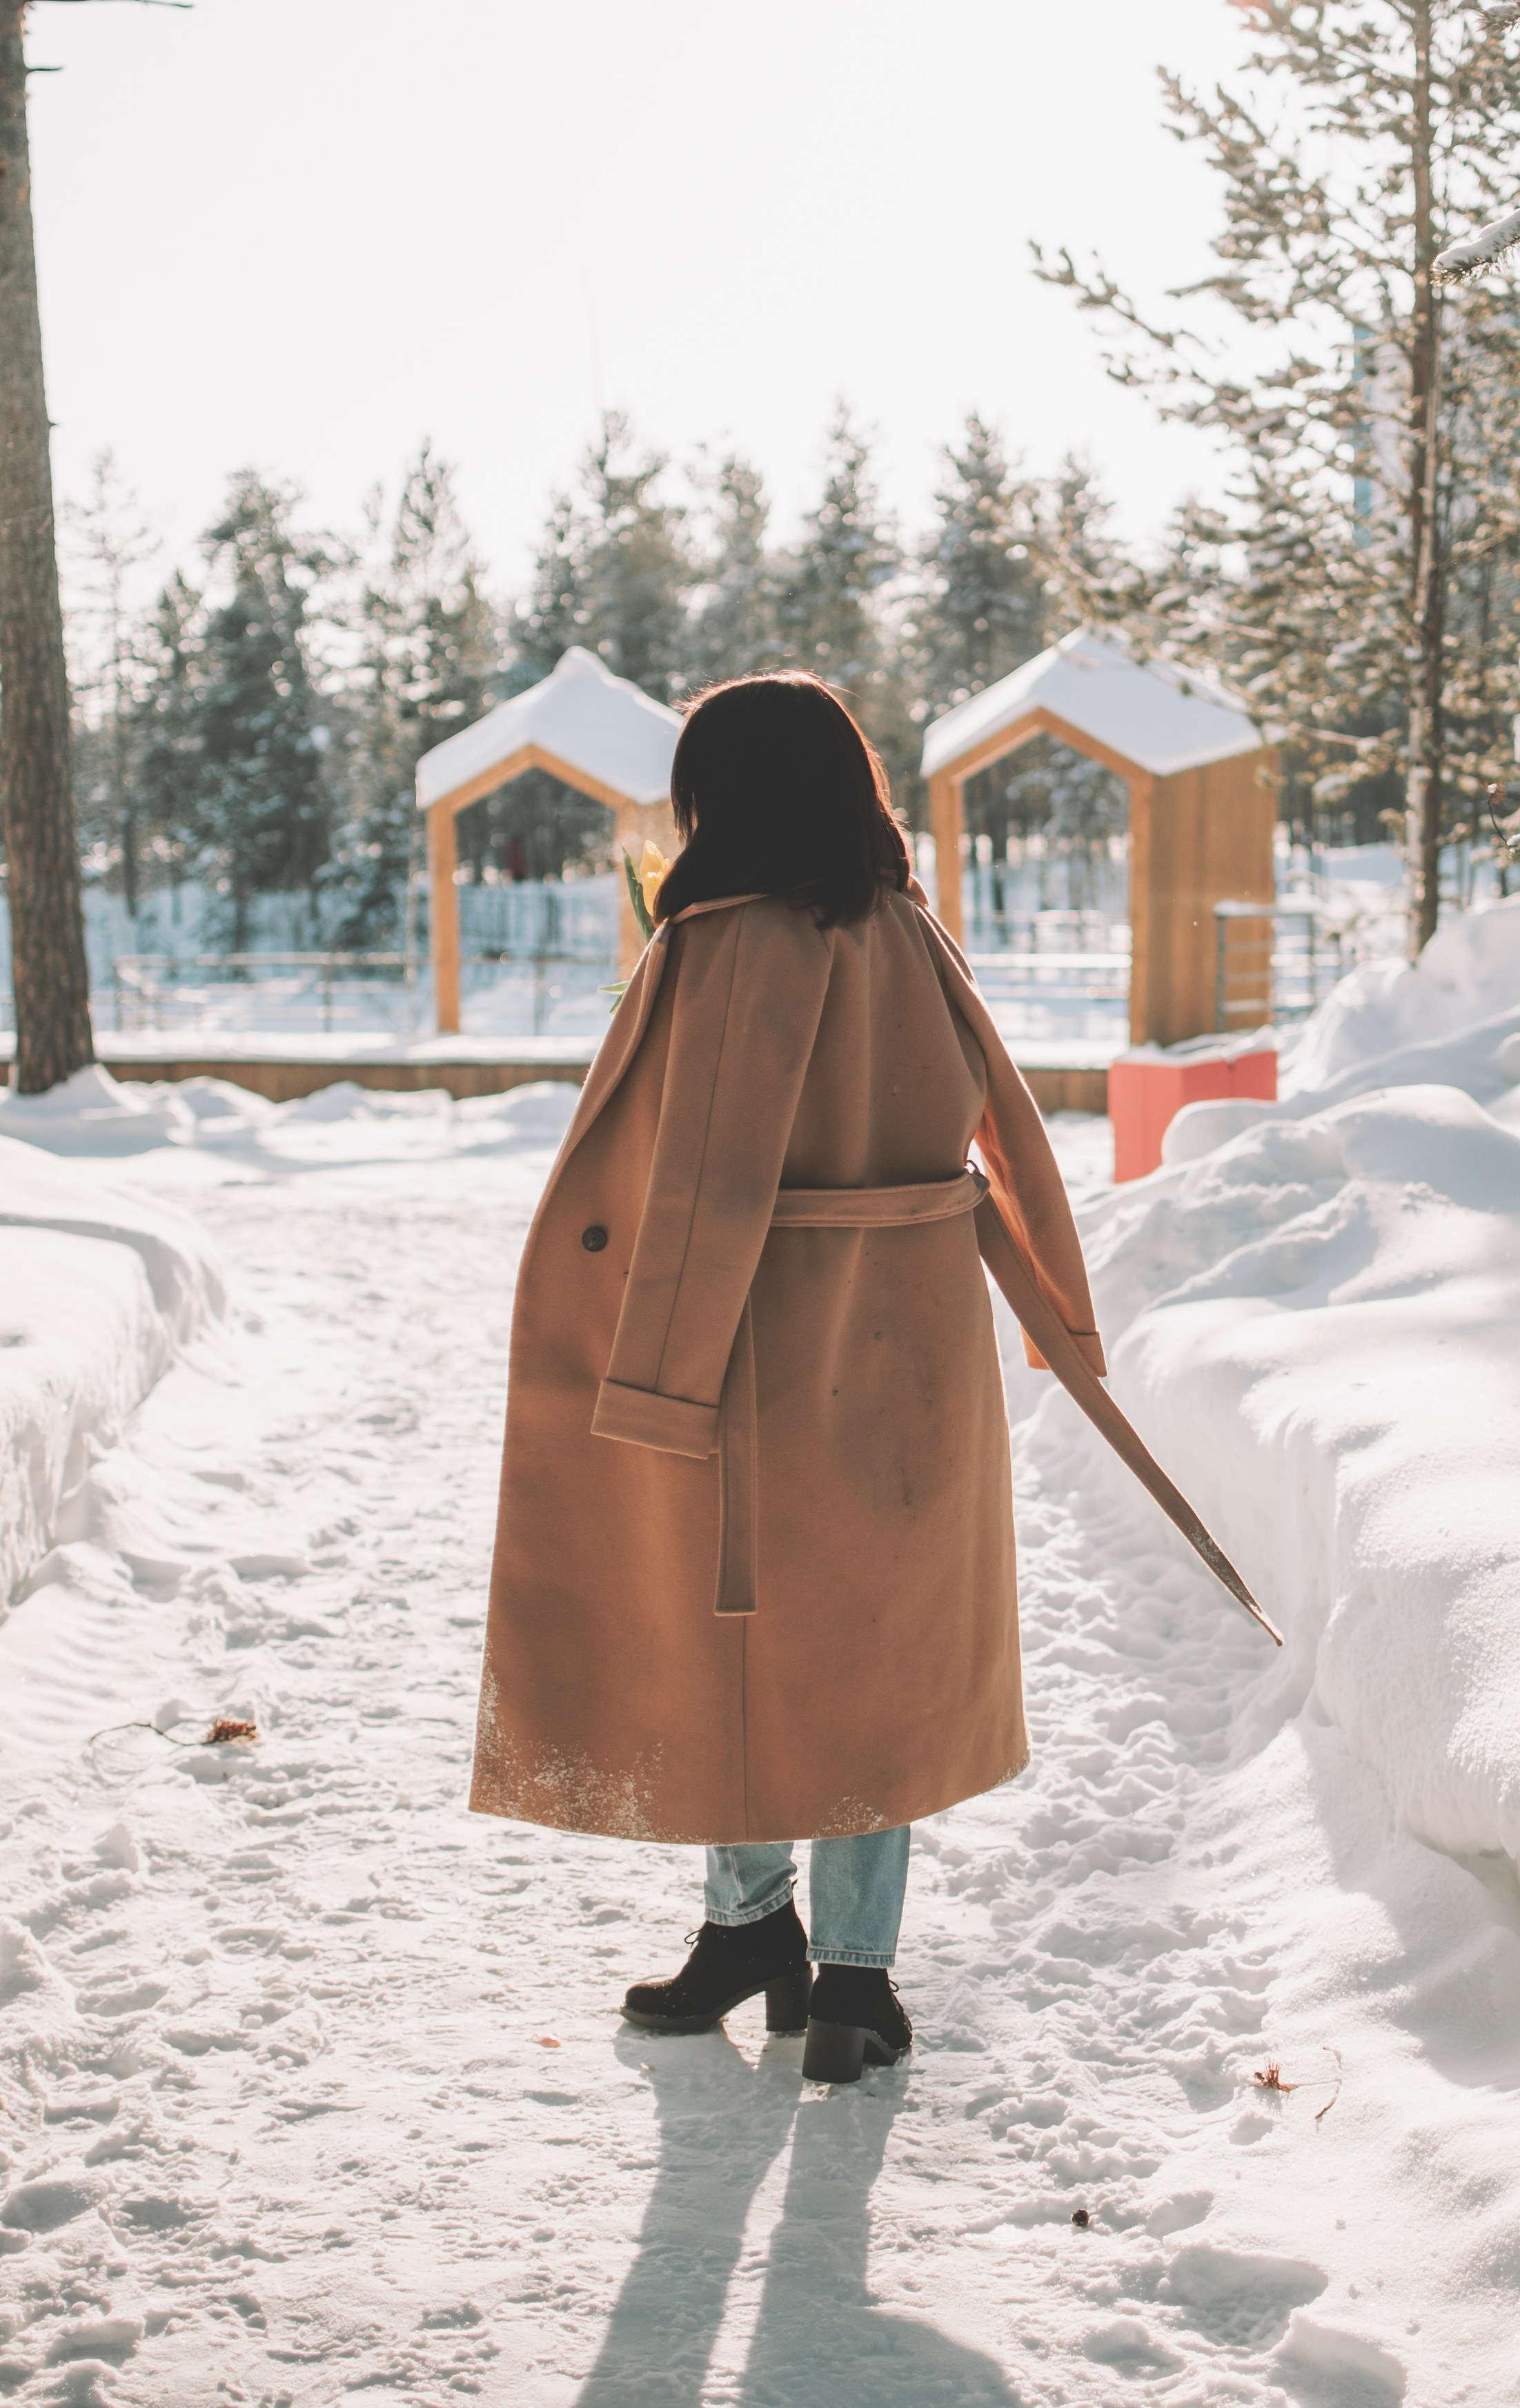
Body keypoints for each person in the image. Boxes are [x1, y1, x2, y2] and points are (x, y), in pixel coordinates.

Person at [468, 671, 1107, 2084]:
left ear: (726, 798)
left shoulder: (727, 945)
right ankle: (847, 1979)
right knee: (869, 1653)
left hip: (748, 1346)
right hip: (912, 1355)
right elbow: (998, 1124)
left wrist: (650, 1382)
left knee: (738, 1638)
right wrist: (1060, 1303)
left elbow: (700, 1182)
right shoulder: (906, 930)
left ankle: (753, 1923)